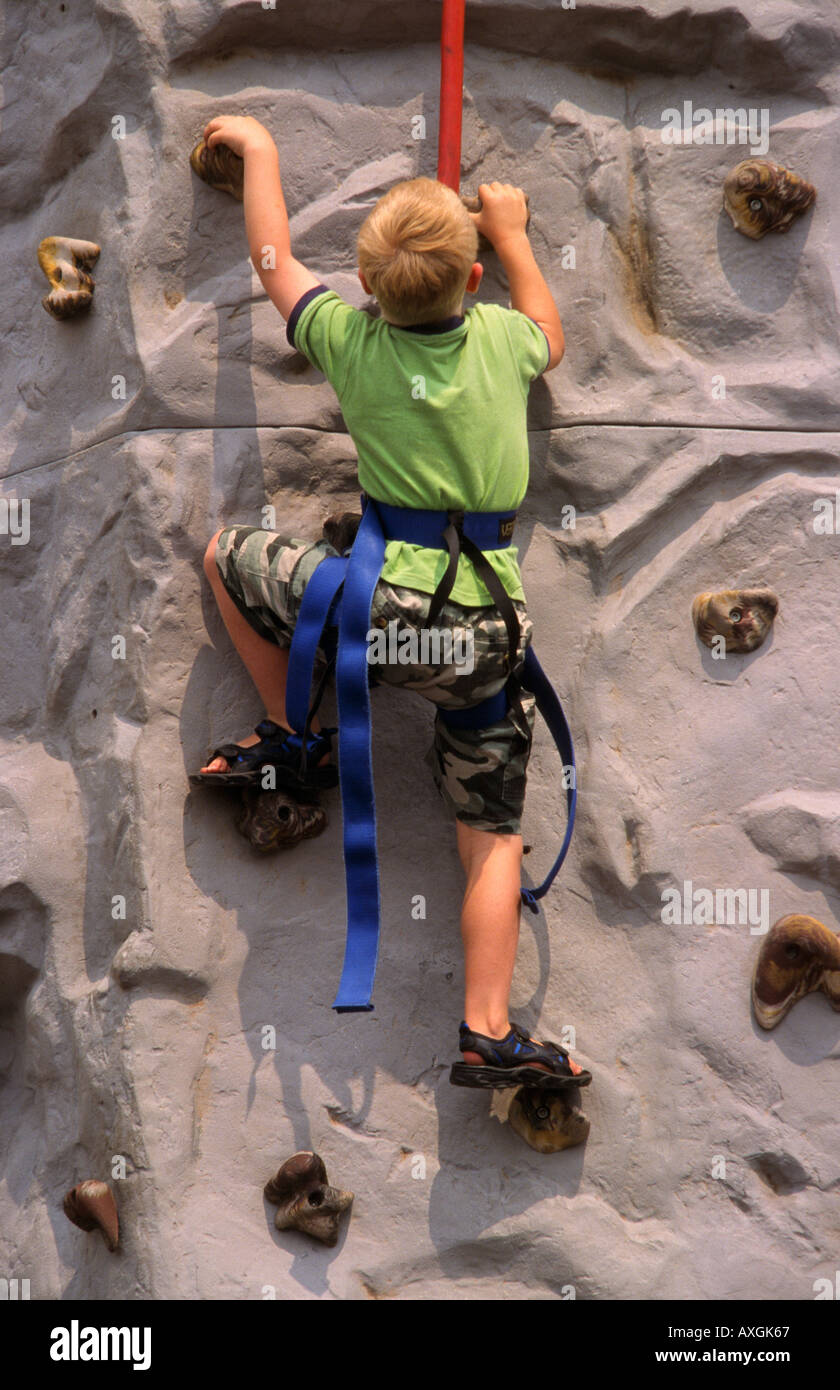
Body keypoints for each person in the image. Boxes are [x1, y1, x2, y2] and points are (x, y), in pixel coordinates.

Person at [193, 114, 590, 1090]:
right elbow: (554, 332)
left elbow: (275, 259)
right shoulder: (502, 338)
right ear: (473, 282)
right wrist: (511, 231)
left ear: (366, 286)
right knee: (492, 832)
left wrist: (262, 149)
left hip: (385, 618)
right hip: (489, 639)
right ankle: (487, 1029)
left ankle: (295, 731)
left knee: (225, 555)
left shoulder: (350, 342)